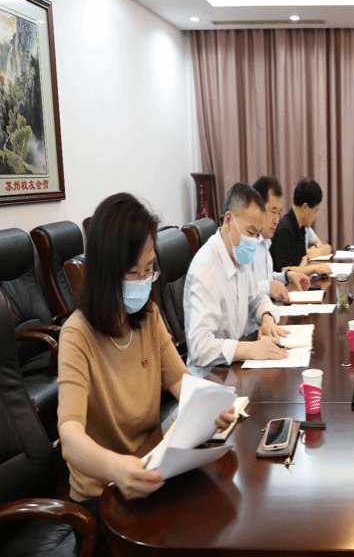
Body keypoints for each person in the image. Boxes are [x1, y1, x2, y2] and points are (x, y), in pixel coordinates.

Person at [57, 193, 236, 550]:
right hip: (105, 494)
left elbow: (179, 380)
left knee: (220, 512)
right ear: (106, 272)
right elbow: (70, 438)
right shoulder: (77, 334)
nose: (144, 281)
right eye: (132, 273)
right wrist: (116, 467)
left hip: (151, 467)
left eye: (149, 269)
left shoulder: (148, 317)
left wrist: (210, 406)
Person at [184, 182, 289, 372]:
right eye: (250, 232)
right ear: (228, 220)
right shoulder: (206, 268)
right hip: (213, 375)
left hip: (237, 367)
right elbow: (200, 347)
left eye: (257, 235)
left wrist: (266, 318)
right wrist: (251, 349)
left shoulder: (238, 256)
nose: (253, 241)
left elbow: (257, 297)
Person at [252, 176, 311, 301]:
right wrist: (269, 286)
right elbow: (245, 291)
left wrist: (288, 275)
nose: (277, 220)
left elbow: (267, 278)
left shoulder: (265, 242)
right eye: (273, 212)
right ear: (257, 209)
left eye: (279, 213)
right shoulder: (246, 244)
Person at [270, 177, 331, 277]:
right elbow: (286, 271)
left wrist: (307, 266)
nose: (316, 216)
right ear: (305, 207)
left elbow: (303, 260)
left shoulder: (301, 227)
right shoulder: (284, 229)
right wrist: (314, 269)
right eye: (315, 211)